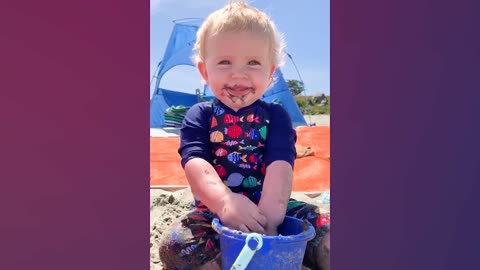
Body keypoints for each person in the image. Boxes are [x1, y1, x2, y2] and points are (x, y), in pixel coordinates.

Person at [158, 1, 330, 269]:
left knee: (325, 227)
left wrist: (270, 223)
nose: (238, 73)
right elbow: (196, 163)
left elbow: (280, 166)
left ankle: (301, 255)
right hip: (215, 213)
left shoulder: (276, 116)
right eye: (225, 61)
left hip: (273, 209)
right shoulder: (199, 115)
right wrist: (225, 203)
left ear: (270, 73)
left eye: (253, 62)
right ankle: (226, 261)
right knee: (176, 243)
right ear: (205, 71)